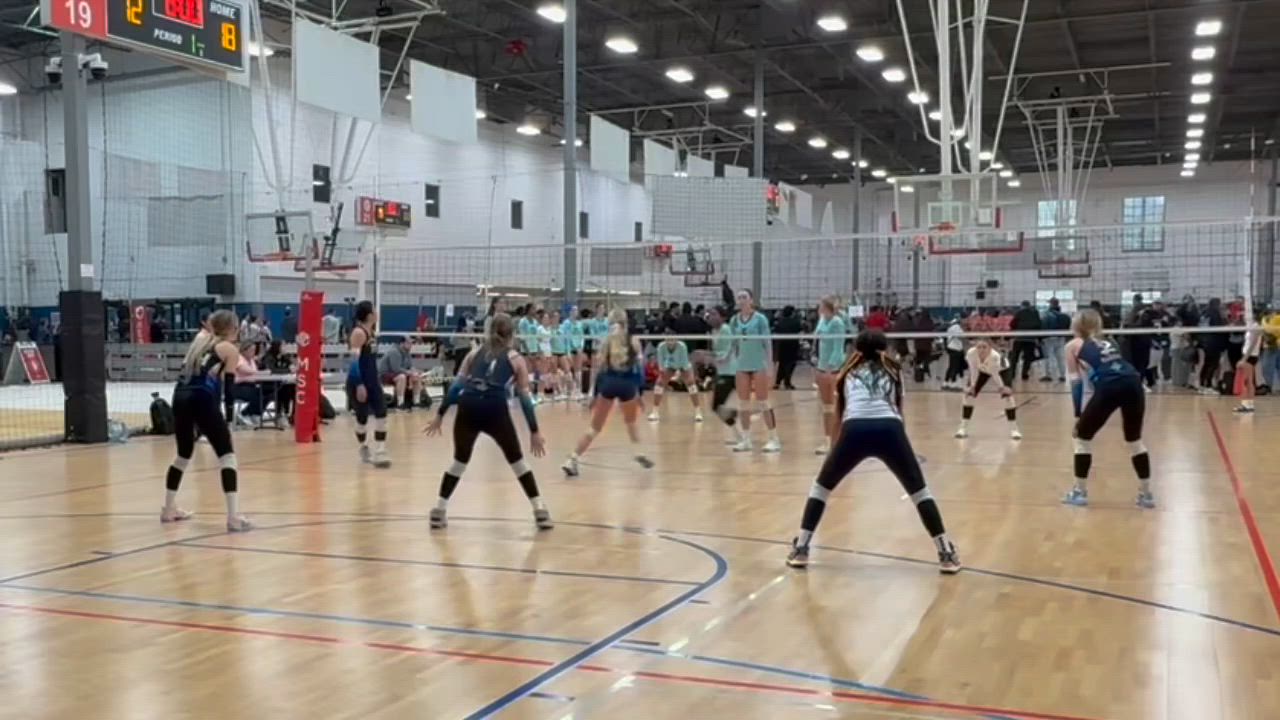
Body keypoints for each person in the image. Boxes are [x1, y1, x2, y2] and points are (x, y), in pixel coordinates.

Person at [785, 330, 960, 573]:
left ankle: (802, 548)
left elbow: (839, 415)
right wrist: (900, 445)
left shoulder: (847, 372)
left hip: (854, 429)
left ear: (857, 349)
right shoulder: (894, 370)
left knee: (821, 488)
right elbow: (899, 409)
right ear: (883, 349)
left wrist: (834, 451)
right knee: (920, 492)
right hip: (890, 429)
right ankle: (945, 553)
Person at [424, 313, 552, 530]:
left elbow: (456, 387)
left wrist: (440, 414)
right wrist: (534, 430)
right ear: (512, 334)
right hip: (494, 408)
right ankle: (539, 509)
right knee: (517, 462)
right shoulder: (515, 359)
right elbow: (524, 398)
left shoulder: (473, 354)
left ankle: (439, 509)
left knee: (459, 462)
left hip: (468, 406)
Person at [161, 309, 253, 531]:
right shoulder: (229, 348)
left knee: (183, 455)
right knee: (227, 457)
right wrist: (229, 421)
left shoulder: (199, 344)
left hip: (179, 396)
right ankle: (233, 517)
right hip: (201, 398)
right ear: (233, 328)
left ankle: (168, 508)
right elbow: (229, 389)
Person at [1063, 309, 1154, 509]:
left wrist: (1078, 415)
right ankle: (1146, 495)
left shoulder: (1072, 346)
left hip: (1110, 386)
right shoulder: (1109, 342)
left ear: (1076, 325)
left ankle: (1079, 492)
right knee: (1134, 440)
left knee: (1081, 438)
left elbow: (1076, 382)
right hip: (1134, 383)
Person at [561, 309, 654, 477]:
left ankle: (572, 458)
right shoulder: (634, 341)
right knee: (631, 423)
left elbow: (599, 370)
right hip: (627, 385)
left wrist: (595, 394)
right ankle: (638, 452)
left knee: (594, 428)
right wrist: (639, 393)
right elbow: (639, 371)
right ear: (626, 323)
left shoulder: (607, 341)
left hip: (609, 383)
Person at [731, 290, 780, 453]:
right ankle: (746, 439)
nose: (742, 300)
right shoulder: (734, 320)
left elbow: (767, 342)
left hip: (759, 364)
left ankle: (773, 439)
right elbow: (733, 343)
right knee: (743, 403)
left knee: (763, 402)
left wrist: (770, 365)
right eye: (739, 297)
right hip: (742, 365)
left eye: (744, 297)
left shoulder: (760, 319)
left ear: (751, 300)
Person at [346, 301, 391, 468]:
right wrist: (359, 384)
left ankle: (380, 451)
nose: (377, 313)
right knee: (362, 419)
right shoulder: (359, 333)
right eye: (375, 311)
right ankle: (363, 446)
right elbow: (353, 361)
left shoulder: (372, 333)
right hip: (359, 381)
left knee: (382, 413)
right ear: (370, 315)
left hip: (373, 380)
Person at [955, 338, 1022, 440]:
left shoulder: (994, 356)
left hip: (1002, 371)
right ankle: (962, 428)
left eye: (984, 347)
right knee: (969, 396)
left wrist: (1002, 388)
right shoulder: (971, 354)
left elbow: (995, 374)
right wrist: (972, 386)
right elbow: (973, 370)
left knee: (1007, 397)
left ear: (990, 348)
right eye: (979, 347)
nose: (981, 350)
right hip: (982, 370)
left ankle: (1014, 430)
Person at [813, 296, 849, 454]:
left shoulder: (837, 322)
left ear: (826, 306)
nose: (818, 308)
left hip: (833, 369)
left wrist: (831, 367)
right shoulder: (822, 320)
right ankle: (827, 441)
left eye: (820, 305)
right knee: (826, 407)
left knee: (837, 406)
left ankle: (840, 441)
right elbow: (816, 339)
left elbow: (838, 347)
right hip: (821, 367)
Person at [707, 306, 743, 446]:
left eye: (714, 314)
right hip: (722, 371)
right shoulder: (713, 331)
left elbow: (725, 354)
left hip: (731, 372)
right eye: (710, 314)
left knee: (716, 406)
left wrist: (707, 356)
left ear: (722, 317)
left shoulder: (726, 330)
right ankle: (738, 433)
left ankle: (740, 416)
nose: (711, 316)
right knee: (717, 406)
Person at [649, 329, 702, 422]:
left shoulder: (682, 346)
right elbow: (661, 364)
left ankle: (698, 412)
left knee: (691, 385)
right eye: (668, 339)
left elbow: (684, 363)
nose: (670, 342)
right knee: (659, 384)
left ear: (676, 339)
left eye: (672, 339)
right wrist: (663, 374)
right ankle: (655, 412)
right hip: (670, 366)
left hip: (683, 366)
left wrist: (678, 376)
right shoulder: (661, 347)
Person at [378, 336, 421, 412]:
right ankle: (400, 405)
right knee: (402, 377)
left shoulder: (407, 353)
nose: (411, 345)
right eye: (408, 343)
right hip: (385, 374)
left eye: (411, 343)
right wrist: (409, 373)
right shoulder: (394, 352)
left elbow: (410, 366)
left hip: (397, 373)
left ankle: (416, 403)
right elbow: (396, 369)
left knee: (416, 376)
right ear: (402, 344)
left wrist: (415, 371)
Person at [1234, 314, 1264, 414]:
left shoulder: (1256, 327)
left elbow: (1253, 344)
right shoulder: (1250, 326)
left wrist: (1244, 359)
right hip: (1247, 355)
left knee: (1246, 381)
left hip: (1250, 356)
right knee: (1249, 381)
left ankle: (1247, 405)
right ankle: (1248, 405)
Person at [1009, 300, 1042, 381]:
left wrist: (1015, 330)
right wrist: (1039, 338)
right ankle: (1024, 374)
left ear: (1022, 306)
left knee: (1014, 357)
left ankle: (1012, 374)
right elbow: (1039, 325)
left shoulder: (1019, 313)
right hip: (1031, 339)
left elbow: (1012, 324)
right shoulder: (1035, 313)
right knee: (1028, 358)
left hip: (1019, 338)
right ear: (1029, 306)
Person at [1040, 298, 1071, 383]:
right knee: (1060, 357)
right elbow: (1068, 327)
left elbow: (1043, 326)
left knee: (1048, 357)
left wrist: (1041, 338)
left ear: (1051, 304)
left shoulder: (1047, 315)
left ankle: (1048, 375)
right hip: (1061, 338)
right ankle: (1062, 375)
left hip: (1048, 338)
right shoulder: (1065, 316)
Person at [772, 306, 802, 390]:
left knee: (782, 364)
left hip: (782, 346)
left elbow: (776, 331)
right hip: (792, 346)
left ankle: (777, 382)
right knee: (790, 364)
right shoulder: (796, 322)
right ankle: (787, 382)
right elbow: (800, 330)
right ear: (792, 313)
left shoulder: (780, 322)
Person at [943, 315, 966, 391]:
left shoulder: (951, 327)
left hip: (951, 347)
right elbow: (960, 336)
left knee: (951, 366)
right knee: (955, 367)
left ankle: (945, 383)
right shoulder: (957, 327)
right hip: (955, 349)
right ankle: (953, 384)